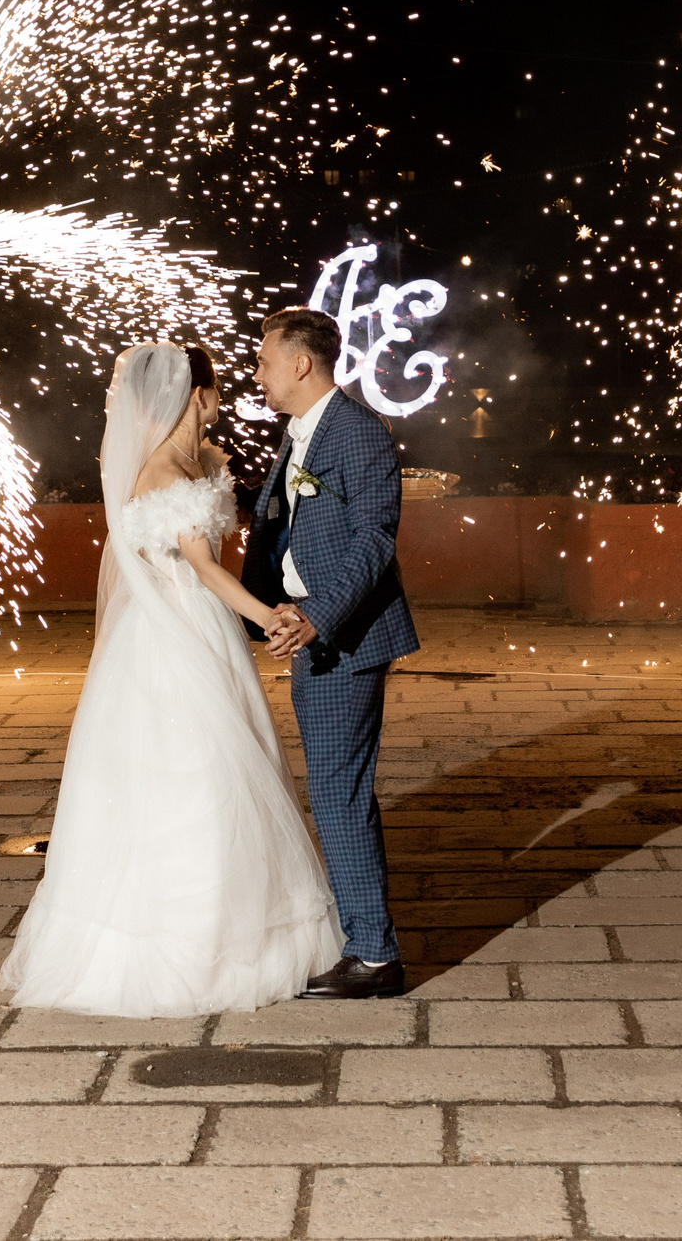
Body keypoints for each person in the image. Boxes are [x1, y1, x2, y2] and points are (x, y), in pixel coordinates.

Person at [0, 344, 340, 1018]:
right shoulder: (160, 471)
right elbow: (205, 568)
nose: (225, 393)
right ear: (195, 392)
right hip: (172, 632)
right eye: (214, 385)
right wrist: (273, 617)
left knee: (223, 770)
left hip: (201, 626)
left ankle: (233, 923)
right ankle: (181, 946)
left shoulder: (203, 459)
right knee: (196, 772)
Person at [244, 306, 421, 1000]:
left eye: (263, 360)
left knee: (338, 793)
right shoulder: (299, 434)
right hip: (307, 632)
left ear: (299, 362)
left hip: (345, 639)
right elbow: (279, 535)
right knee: (333, 788)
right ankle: (367, 941)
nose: (255, 373)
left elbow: (375, 540)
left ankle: (375, 955)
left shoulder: (358, 433)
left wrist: (315, 618)